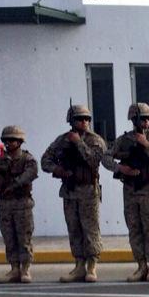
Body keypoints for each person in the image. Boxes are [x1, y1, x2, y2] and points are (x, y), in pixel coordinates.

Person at [41, 105, 107, 283]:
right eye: (79, 119)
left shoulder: (95, 140)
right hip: (70, 192)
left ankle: (92, 266)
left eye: (86, 119)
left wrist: (78, 142)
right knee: (74, 229)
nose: (84, 122)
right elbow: (45, 160)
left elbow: (94, 160)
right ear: (71, 121)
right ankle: (79, 265)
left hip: (88, 192)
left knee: (90, 229)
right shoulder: (62, 140)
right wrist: (58, 170)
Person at [102, 103, 149, 282]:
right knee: (134, 228)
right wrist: (120, 168)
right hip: (130, 189)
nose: (146, 122)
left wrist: (146, 145)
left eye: (148, 119)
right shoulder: (124, 140)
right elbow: (106, 157)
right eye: (142, 119)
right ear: (133, 120)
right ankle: (141, 265)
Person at [0, 125, 39, 284]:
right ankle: (14, 268)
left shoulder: (27, 159)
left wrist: (14, 184)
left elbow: (31, 173)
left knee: (24, 237)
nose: (8, 143)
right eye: (6, 140)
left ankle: (25, 269)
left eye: (12, 140)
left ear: (20, 141)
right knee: (9, 238)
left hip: (22, 203)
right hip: (4, 203)